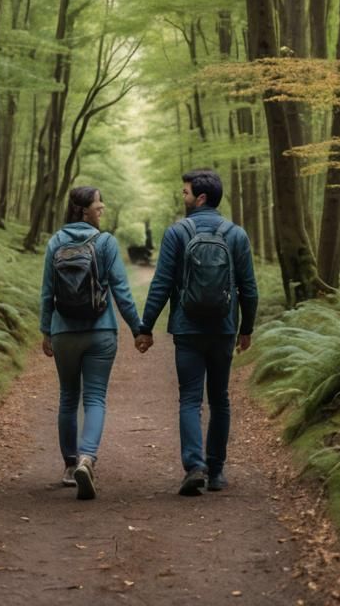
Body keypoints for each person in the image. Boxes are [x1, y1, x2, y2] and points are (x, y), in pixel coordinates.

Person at [135, 167, 258, 496]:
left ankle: (194, 466)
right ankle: (216, 472)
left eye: (186, 191)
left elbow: (161, 284)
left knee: (190, 398)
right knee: (220, 399)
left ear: (200, 197)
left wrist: (146, 327)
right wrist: (246, 328)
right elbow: (249, 288)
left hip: (187, 329)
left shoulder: (177, 233)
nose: (183, 196)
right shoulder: (236, 234)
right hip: (223, 329)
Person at [40, 185, 143, 500]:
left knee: (68, 397)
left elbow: (47, 293)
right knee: (95, 397)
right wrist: (138, 329)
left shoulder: (55, 242)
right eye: (99, 205)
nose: (103, 208)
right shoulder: (106, 242)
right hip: (101, 331)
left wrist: (46, 331)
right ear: (84, 209)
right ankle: (87, 458)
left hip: (64, 332)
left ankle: (70, 466)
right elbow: (121, 291)